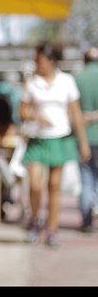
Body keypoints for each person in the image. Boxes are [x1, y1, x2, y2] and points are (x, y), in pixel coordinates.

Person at [19, 41, 91, 248]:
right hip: (37, 139)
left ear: (51, 61)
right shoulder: (31, 82)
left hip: (59, 137)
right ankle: (34, 220)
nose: (36, 63)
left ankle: (52, 230)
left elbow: (75, 113)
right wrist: (36, 116)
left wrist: (83, 142)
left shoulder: (66, 81)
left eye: (39, 59)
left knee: (54, 186)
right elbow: (22, 110)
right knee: (35, 183)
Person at [74, 46, 98, 233]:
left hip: (82, 138)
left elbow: (71, 111)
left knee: (86, 179)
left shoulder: (77, 79)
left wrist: (85, 117)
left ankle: (86, 220)